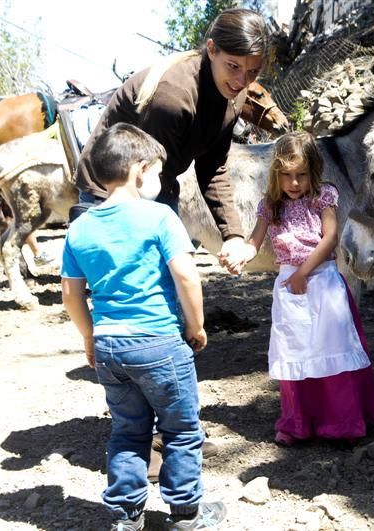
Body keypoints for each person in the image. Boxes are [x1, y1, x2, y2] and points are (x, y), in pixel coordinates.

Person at [61, 123, 225, 531]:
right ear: (140, 169)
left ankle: (126, 517)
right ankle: (187, 513)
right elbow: (187, 277)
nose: (158, 180)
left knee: (127, 431)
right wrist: (197, 325)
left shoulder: (79, 227)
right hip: (159, 342)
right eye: (156, 172)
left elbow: (70, 293)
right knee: (182, 429)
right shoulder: (159, 217)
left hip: (110, 347)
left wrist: (89, 336)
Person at [73, 7, 268, 274]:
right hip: (110, 185)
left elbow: (213, 165)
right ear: (212, 50)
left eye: (253, 72)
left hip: (156, 178)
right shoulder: (173, 96)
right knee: (125, 281)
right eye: (233, 66)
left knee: (161, 276)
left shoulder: (235, 95)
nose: (241, 81)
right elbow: (150, 178)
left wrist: (232, 235)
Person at [227, 132, 374, 446]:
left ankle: (342, 423)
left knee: (332, 351)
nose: (294, 183)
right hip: (290, 288)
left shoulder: (323, 196)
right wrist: (240, 255)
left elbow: (329, 238)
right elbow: (255, 241)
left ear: (313, 171)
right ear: (276, 174)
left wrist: (304, 272)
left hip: (322, 282)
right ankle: (298, 423)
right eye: (286, 175)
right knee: (296, 352)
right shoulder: (270, 205)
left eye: (301, 175)